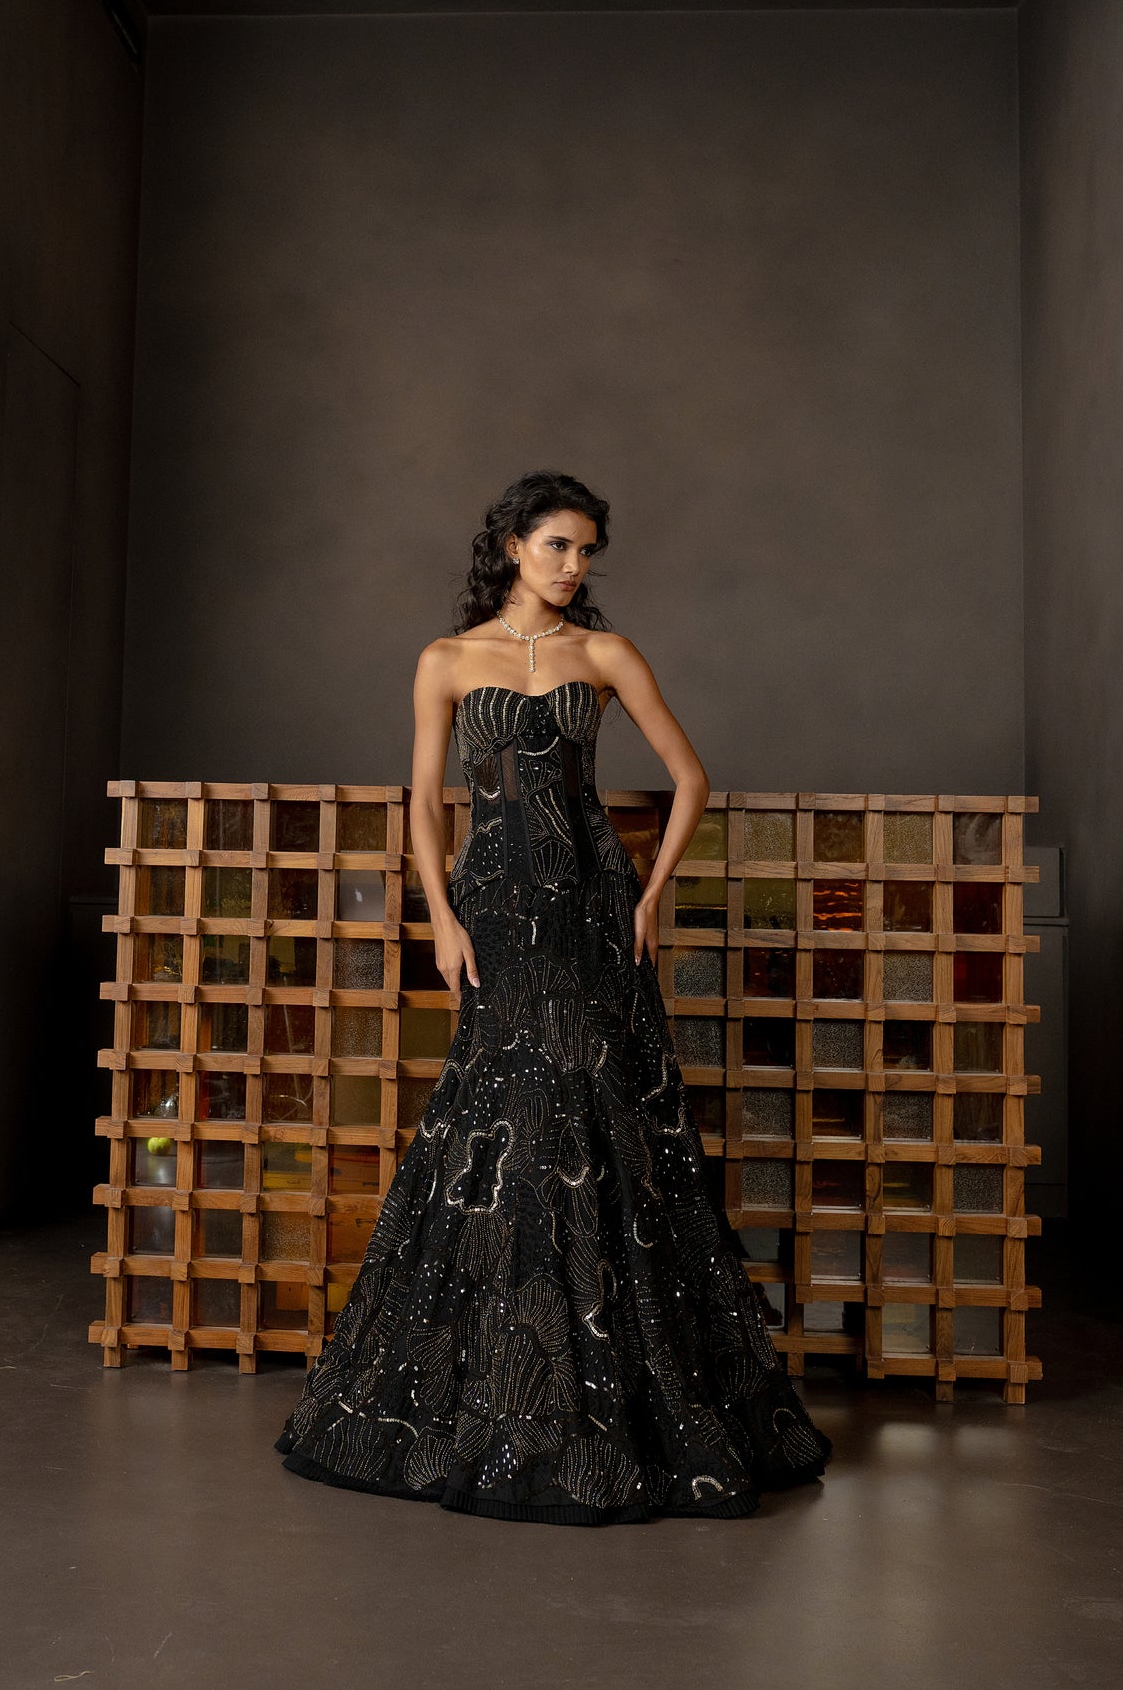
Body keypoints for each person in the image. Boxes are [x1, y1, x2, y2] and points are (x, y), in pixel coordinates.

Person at [275, 470, 832, 1523]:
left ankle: (606, 1388)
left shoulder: (605, 656)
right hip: (493, 909)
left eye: (586, 552)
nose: (574, 568)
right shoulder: (446, 661)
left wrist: (649, 896)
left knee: (603, 1118)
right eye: (558, 546)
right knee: (503, 1120)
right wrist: (440, 918)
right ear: (512, 545)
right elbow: (424, 803)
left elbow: (692, 778)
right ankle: (502, 1383)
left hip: (590, 908)